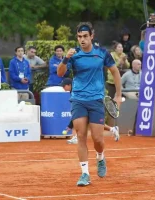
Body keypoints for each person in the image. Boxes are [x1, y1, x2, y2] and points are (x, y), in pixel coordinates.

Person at [57, 22, 122, 187]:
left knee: (98, 139)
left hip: (96, 100)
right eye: (79, 37)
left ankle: (100, 157)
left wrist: (119, 95)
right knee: (80, 136)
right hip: (78, 99)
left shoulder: (101, 53)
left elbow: (115, 71)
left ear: (92, 36)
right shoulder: (74, 54)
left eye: (85, 36)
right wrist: (66, 58)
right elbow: (60, 73)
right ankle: (85, 174)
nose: (82, 40)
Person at [60, 78, 120, 145]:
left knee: (84, 121)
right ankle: (113, 129)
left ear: (69, 85)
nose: (63, 88)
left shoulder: (76, 91)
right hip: (90, 104)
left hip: (94, 104)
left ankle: (78, 137)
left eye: (64, 86)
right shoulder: (74, 91)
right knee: (92, 123)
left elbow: (76, 113)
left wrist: (70, 126)